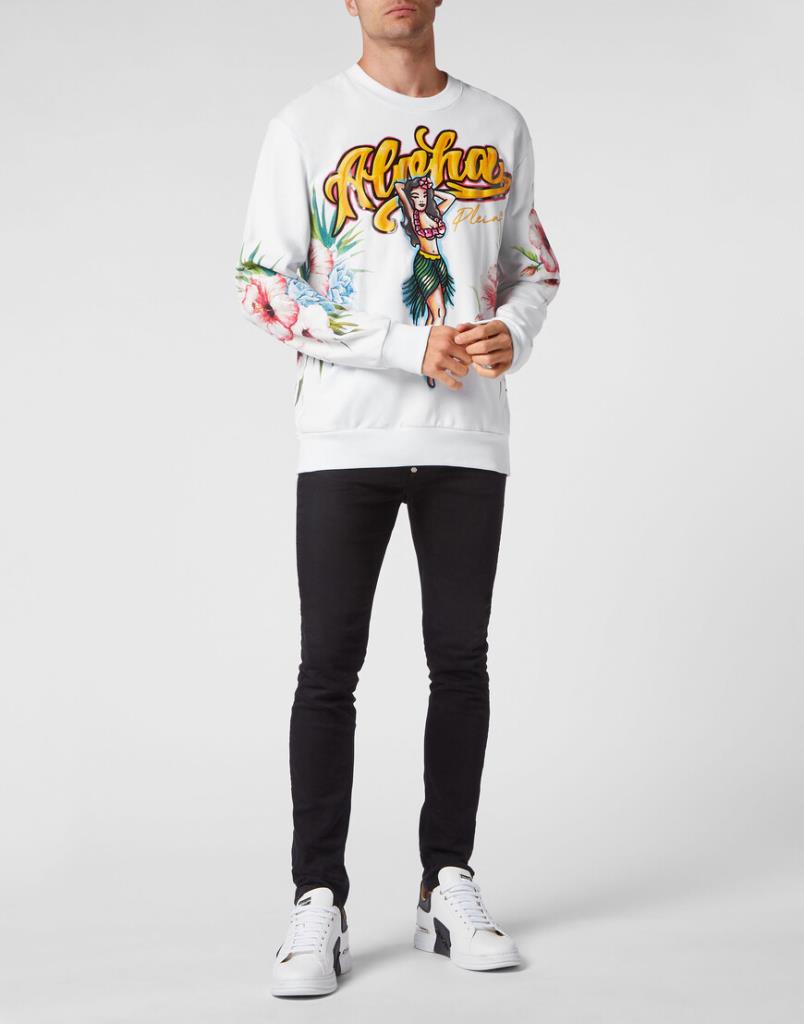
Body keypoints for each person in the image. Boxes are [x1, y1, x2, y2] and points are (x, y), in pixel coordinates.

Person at [236, 0, 561, 999]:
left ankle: (444, 883)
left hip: (468, 440)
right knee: (327, 669)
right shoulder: (305, 125)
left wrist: (513, 330)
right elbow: (263, 282)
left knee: (460, 662)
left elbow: (535, 266)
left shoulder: (497, 125)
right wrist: (399, 346)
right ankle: (317, 900)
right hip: (347, 436)